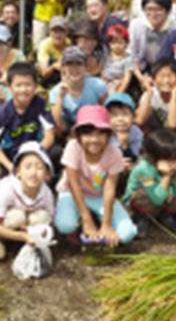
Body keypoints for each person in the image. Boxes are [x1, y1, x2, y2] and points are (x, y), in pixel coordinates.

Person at [54, 105, 137, 246]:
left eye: (100, 133)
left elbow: (110, 188)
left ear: (108, 135)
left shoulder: (114, 153)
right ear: (79, 135)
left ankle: (97, 220)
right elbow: (73, 184)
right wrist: (87, 220)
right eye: (88, 134)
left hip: (98, 195)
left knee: (126, 233)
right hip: (71, 192)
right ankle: (83, 220)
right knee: (65, 225)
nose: (94, 139)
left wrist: (106, 224)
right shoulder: (73, 147)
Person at [0, 142, 55, 261]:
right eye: (27, 167)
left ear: (47, 174)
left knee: (42, 217)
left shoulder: (46, 193)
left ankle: (28, 243)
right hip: (9, 222)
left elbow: (50, 221)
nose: (33, 173)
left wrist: (40, 233)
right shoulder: (7, 188)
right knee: (16, 217)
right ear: (18, 171)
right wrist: (23, 236)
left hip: (28, 224)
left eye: (39, 168)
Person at [0, 63, 56, 174]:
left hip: (37, 152)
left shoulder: (40, 104)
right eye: (18, 85)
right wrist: (10, 166)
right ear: (9, 87)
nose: (23, 90)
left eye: (28, 85)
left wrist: (35, 154)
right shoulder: (3, 112)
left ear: (36, 86)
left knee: (57, 153)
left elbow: (50, 135)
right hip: (12, 158)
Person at [123, 127, 176, 236]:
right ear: (154, 157)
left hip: (160, 199)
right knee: (143, 195)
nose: (174, 164)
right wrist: (166, 176)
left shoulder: (174, 166)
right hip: (142, 202)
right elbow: (156, 199)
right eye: (169, 160)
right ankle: (140, 217)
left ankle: (164, 215)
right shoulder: (143, 169)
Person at [48, 46, 109, 133]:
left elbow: (106, 111)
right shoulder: (55, 92)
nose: (74, 69)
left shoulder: (98, 85)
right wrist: (61, 96)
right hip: (68, 131)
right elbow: (56, 123)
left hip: (94, 128)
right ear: (63, 68)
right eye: (70, 64)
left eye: (79, 64)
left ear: (85, 67)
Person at [135, 58, 176, 134]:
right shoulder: (150, 93)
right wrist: (149, 92)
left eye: (170, 76)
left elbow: (173, 124)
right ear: (153, 79)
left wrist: (174, 94)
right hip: (159, 134)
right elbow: (139, 120)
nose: (166, 81)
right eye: (162, 76)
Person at [129, 0, 176, 81]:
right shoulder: (136, 25)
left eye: (158, 9)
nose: (153, 14)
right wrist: (141, 78)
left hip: (169, 71)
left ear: (167, 11)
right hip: (143, 69)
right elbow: (132, 55)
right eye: (149, 9)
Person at [106, 92, 144, 166]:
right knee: (98, 176)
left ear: (133, 117)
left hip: (130, 164)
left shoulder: (135, 132)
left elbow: (138, 155)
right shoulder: (105, 133)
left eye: (125, 114)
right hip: (108, 166)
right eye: (114, 115)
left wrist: (125, 145)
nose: (120, 119)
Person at [36, 16, 70, 88]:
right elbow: (44, 73)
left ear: (66, 32)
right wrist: (54, 66)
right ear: (49, 32)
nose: (58, 34)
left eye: (61, 31)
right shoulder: (44, 45)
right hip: (50, 76)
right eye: (55, 31)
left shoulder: (71, 45)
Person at [101, 25, 134, 94]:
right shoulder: (106, 54)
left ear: (126, 43)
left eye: (120, 42)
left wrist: (119, 93)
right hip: (103, 81)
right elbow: (100, 67)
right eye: (113, 43)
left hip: (116, 84)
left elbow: (127, 78)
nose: (117, 46)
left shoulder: (128, 59)